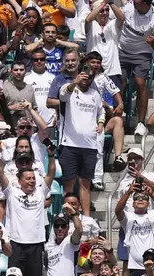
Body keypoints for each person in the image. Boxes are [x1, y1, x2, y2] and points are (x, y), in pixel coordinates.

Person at [0, 140, 55, 276]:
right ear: (19, 181)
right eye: (27, 179)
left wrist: (51, 155)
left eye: (33, 178)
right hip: (16, 243)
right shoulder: (12, 192)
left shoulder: (41, 192)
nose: (31, 181)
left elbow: (51, 173)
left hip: (36, 243)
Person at [57, 61, 103, 211]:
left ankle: (87, 218)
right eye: (83, 76)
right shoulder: (69, 88)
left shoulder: (95, 94)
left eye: (90, 77)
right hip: (69, 144)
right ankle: (67, 215)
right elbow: (63, 96)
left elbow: (101, 111)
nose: (86, 79)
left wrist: (101, 122)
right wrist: (74, 82)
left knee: (86, 184)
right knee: (69, 183)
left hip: (90, 146)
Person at [118, 0, 154, 137]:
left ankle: (141, 123)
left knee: (140, 82)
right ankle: (118, 114)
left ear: (145, 3)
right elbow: (119, 17)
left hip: (142, 53)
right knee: (121, 82)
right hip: (122, 49)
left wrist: (152, 42)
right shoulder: (129, 6)